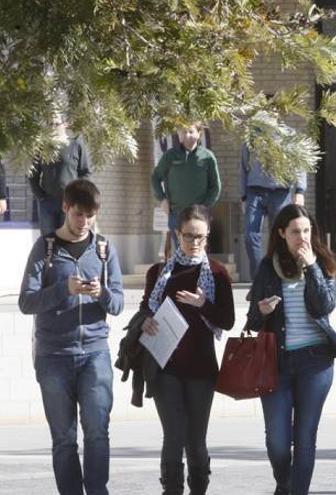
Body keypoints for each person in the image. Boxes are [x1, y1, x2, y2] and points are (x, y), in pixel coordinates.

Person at [18, 179, 124, 495]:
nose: (84, 223)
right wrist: (64, 290)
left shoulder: (104, 250)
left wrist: (101, 292)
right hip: (54, 356)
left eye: (90, 216)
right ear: (65, 208)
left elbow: (118, 304)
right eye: (79, 214)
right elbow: (26, 301)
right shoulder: (45, 248)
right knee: (64, 437)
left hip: (94, 352)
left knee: (97, 432)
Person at [245, 204, 336, 495]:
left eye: (306, 230)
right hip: (276, 362)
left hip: (316, 362)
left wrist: (311, 266)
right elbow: (251, 320)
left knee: (304, 438)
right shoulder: (267, 267)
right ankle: (284, 484)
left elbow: (325, 305)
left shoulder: (323, 263)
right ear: (281, 234)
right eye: (295, 232)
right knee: (277, 440)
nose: (302, 237)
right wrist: (261, 311)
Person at [139, 204, 235, 494]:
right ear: (177, 234)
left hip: (202, 369)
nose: (195, 243)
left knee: (196, 440)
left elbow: (227, 321)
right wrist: (145, 320)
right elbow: (146, 307)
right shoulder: (159, 272)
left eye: (202, 237)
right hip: (165, 366)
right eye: (189, 236)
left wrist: (202, 304)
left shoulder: (217, 274)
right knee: (174, 436)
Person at [240, 142, 308, 280]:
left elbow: (300, 164)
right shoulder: (252, 135)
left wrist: (300, 190)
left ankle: (280, 276)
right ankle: (259, 280)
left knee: (281, 236)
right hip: (255, 190)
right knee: (250, 235)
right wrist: (243, 196)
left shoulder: (287, 135)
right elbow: (243, 166)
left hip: (281, 192)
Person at [151, 123, 221, 251]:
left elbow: (215, 187)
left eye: (191, 132)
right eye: (183, 132)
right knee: (180, 253)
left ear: (199, 134)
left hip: (198, 216)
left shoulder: (207, 157)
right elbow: (155, 177)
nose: (187, 135)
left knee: (197, 252)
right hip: (176, 214)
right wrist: (162, 200)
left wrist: (204, 207)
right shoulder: (170, 156)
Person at [28, 116, 92, 234]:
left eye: (56, 124)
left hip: (70, 203)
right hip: (47, 203)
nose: (53, 127)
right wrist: (41, 196)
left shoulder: (76, 144)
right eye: (50, 124)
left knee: (67, 238)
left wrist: (76, 196)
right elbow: (32, 174)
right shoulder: (42, 147)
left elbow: (85, 173)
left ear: (65, 124)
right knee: (48, 241)